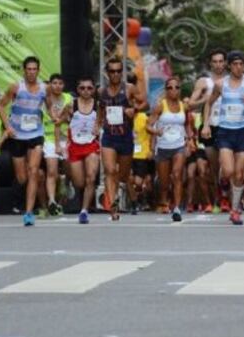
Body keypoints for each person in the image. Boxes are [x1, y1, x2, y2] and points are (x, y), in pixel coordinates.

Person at [203, 51, 244, 226]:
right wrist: (206, 124)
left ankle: (235, 210)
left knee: (239, 175)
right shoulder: (220, 84)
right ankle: (224, 184)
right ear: (229, 66)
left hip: (243, 131)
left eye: (242, 64)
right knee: (229, 171)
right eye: (235, 64)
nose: (239, 67)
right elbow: (209, 102)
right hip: (224, 131)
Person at [0, 56, 51, 227]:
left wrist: (55, 115)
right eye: (29, 69)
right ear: (24, 71)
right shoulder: (16, 87)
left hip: (36, 134)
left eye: (34, 69)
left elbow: (48, 107)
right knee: (22, 177)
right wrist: (8, 127)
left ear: (38, 71)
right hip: (18, 135)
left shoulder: (44, 88)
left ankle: (28, 213)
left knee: (34, 170)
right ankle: (33, 195)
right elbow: (0, 106)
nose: (32, 72)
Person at [98, 57, 142, 221]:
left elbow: (143, 102)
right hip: (109, 135)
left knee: (123, 175)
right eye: (112, 71)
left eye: (118, 71)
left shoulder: (129, 88)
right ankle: (113, 206)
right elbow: (100, 108)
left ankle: (119, 195)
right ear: (107, 73)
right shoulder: (101, 91)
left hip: (125, 136)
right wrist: (98, 124)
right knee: (110, 170)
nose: (115, 74)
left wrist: (134, 109)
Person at [188, 49, 227, 212]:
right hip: (209, 127)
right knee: (214, 166)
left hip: (227, 126)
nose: (218, 65)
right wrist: (205, 99)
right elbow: (190, 104)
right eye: (215, 61)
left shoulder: (232, 81)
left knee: (226, 164)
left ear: (225, 63)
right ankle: (216, 196)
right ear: (211, 64)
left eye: (221, 61)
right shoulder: (204, 82)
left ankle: (225, 198)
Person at [148, 77, 189, 222]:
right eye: (170, 87)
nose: (174, 90)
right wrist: (155, 132)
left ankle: (177, 208)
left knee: (177, 175)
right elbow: (148, 125)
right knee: (164, 182)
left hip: (179, 146)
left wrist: (189, 141)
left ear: (180, 90)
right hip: (163, 147)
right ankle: (163, 201)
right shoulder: (160, 106)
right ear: (166, 90)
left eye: (177, 87)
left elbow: (187, 125)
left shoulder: (184, 106)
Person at [67, 77, 101, 224]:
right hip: (75, 146)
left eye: (89, 88)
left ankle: (84, 211)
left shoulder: (99, 106)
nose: (86, 91)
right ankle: (68, 180)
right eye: (82, 88)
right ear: (78, 90)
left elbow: (104, 122)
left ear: (93, 90)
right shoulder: (71, 105)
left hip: (91, 145)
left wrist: (99, 127)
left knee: (91, 177)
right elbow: (58, 122)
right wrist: (58, 142)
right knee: (80, 183)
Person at [42, 74, 71, 217]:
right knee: (51, 171)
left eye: (60, 83)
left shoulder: (68, 98)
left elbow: (70, 116)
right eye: (54, 83)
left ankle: (61, 199)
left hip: (66, 139)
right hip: (49, 138)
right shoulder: (44, 99)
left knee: (66, 173)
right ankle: (52, 202)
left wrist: (63, 117)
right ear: (50, 85)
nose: (57, 86)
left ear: (63, 85)